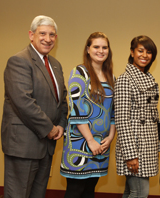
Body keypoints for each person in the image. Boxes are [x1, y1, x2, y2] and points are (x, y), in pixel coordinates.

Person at [1, 15, 68, 198]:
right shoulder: (19, 61)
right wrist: (50, 129)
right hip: (24, 145)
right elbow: (23, 102)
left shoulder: (55, 65)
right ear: (31, 35)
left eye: (52, 35)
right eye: (43, 33)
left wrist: (61, 125)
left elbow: (62, 99)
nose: (48, 39)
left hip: (46, 146)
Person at [60, 32, 115, 198]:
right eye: (96, 47)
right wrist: (91, 141)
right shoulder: (80, 73)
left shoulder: (111, 76)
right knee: (75, 191)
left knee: (90, 190)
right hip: (81, 143)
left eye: (104, 47)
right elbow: (77, 112)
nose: (101, 50)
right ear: (88, 50)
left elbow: (113, 112)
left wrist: (110, 137)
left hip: (102, 145)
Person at [114, 35, 160, 198]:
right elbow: (121, 120)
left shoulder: (148, 78)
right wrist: (130, 154)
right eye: (140, 51)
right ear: (132, 52)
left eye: (149, 52)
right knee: (140, 192)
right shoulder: (125, 80)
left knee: (131, 191)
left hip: (147, 145)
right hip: (134, 147)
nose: (144, 55)